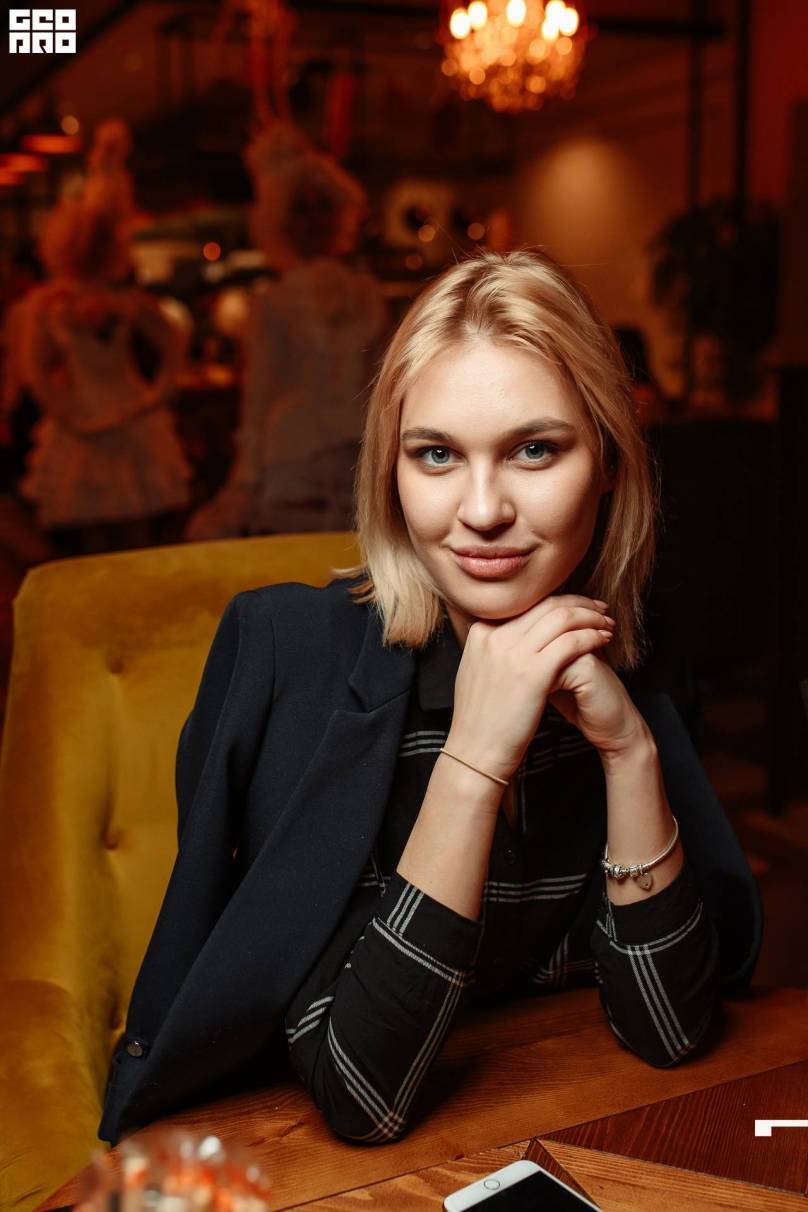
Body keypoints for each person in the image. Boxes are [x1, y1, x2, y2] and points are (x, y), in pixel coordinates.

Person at [99, 248, 762, 1147]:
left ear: (609, 460)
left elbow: (670, 1028)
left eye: (535, 449)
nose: (482, 510)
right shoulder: (290, 660)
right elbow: (362, 1096)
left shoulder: (636, 650)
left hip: (571, 1129)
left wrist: (629, 751)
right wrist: (475, 760)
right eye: (437, 454)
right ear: (392, 469)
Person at [185, 121, 387, 539]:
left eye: (322, 206)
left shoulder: (367, 292)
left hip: (360, 454)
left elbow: (383, 379)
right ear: (280, 221)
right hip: (293, 456)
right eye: (300, 210)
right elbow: (259, 395)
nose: (314, 220)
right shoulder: (271, 302)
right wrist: (246, 479)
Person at [11, 119, 191, 554]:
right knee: (95, 536)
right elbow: (33, 368)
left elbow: (173, 342)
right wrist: (65, 408)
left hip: (123, 414)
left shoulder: (124, 302)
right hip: (96, 417)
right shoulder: (53, 304)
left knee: (133, 534)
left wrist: (156, 395)